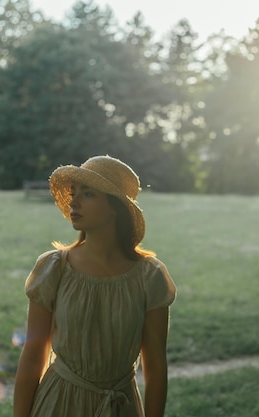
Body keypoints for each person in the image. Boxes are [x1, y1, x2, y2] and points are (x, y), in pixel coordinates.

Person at [13, 155, 177, 417]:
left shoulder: (150, 276)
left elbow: (156, 367)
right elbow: (33, 353)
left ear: (116, 207)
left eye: (87, 194)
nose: (73, 202)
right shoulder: (54, 268)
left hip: (120, 406)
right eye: (73, 193)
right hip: (59, 404)